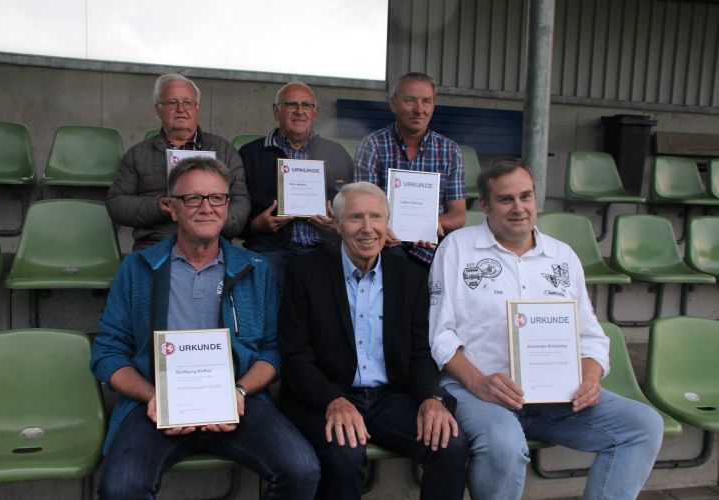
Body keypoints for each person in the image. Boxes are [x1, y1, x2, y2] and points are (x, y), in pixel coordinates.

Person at [428, 158, 663, 500]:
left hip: (554, 396)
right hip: (478, 392)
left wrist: (590, 378)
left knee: (643, 425)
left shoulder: (562, 256)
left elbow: (590, 335)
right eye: (506, 199)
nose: (519, 208)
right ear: (485, 205)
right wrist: (479, 383)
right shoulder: (456, 249)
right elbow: (440, 334)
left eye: (526, 196)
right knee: (505, 445)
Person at [91, 157, 319, 499]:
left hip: (237, 403)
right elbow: (108, 353)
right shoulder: (137, 269)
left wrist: (239, 392)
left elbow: (273, 350)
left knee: (302, 469)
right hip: (156, 405)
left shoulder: (255, 269)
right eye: (193, 198)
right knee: (120, 488)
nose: (206, 207)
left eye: (216, 198)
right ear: (172, 208)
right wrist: (153, 396)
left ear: (227, 206)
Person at [278, 182, 468, 500]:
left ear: (388, 222)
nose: (368, 228)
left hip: (389, 397)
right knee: (346, 454)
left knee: (450, 443)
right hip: (326, 395)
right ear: (337, 224)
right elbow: (295, 354)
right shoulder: (305, 271)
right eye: (356, 218)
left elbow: (421, 352)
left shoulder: (410, 276)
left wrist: (430, 399)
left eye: (376, 217)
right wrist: (333, 401)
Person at [106, 73, 249, 251]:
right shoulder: (138, 154)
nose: (181, 109)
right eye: (172, 103)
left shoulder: (224, 150)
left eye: (187, 102)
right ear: (158, 110)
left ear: (197, 108)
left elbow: (240, 203)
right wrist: (157, 207)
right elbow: (116, 204)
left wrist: (211, 217)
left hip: (214, 245)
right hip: (157, 244)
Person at [239, 81, 352, 288]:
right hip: (273, 248)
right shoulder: (250, 154)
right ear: (276, 111)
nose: (300, 111)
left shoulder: (336, 153)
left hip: (324, 246)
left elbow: (353, 206)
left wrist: (337, 225)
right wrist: (256, 225)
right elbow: (235, 210)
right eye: (291, 104)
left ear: (315, 113)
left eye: (306, 105)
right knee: (263, 274)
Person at [354, 72, 465, 267]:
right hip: (385, 245)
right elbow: (362, 205)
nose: (419, 109)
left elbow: (458, 214)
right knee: (392, 263)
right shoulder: (373, 145)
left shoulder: (450, 151)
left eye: (426, 101)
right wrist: (381, 229)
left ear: (433, 106)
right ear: (393, 104)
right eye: (410, 101)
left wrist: (431, 225)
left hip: (432, 246)